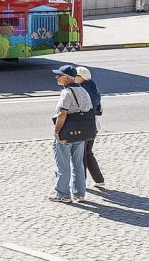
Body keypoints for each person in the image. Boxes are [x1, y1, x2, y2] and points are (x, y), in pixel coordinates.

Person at [50, 65, 93, 203]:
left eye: (59, 75)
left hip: (66, 133)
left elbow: (62, 113)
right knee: (78, 164)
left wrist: (57, 132)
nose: (56, 77)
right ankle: (79, 194)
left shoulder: (66, 93)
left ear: (67, 78)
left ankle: (63, 194)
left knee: (62, 165)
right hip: (80, 134)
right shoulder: (84, 91)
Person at [74, 67, 104, 187]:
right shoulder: (93, 87)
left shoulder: (83, 90)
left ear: (81, 78)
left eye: (75, 76)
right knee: (88, 152)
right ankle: (99, 179)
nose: (73, 78)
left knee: (82, 153)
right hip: (94, 124)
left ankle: (82, 182)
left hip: (86, 124)